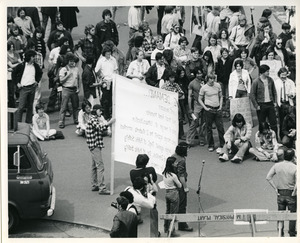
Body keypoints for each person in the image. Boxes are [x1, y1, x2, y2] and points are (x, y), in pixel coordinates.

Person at [266, 149, 297, 237]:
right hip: (291, 193)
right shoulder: (295, 167)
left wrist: (275, 188)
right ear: (293, 157)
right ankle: (291, 233)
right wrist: (294, 192)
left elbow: (268, 177)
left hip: (280, 192)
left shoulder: (277, 165)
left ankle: (280, 232)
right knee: (292, 215)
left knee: (280, 214)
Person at [86, 104, 115, 194]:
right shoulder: (93, 119)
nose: (101, 112)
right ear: (96, 110)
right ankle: (102, 188)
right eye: (100, 110)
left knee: (94, 166)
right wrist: (110, 122)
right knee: (100, 166)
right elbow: (100, 127)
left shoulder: (93, 118)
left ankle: (94, 184)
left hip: (94, 145)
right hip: (95, 145)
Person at [13, 50, 43, 124]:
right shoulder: (21, 66)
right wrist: (17, 83)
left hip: (32, 87)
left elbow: (40, 73)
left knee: (30, 106)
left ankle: (28, 122)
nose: (34, 58)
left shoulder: (35, 66)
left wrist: (37, 81)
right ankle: (18, 123)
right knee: (21, 107)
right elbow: (13, 74)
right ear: (29, 57)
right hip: (24, 88)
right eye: (33, 57)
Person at [199, 73, 225, 153]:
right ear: (208, 79)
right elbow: (199, 99)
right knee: (208, 128)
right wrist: (205, 108)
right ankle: (211, 145)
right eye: (211, 79)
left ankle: (222, 144)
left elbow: (221, 96)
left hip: (217, 109)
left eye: (213, 78)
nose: (212, 80)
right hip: (209, 109)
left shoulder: (217, 85)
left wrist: (220, 106)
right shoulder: (204, 88)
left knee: (220, 127)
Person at [250, 64, 278, 137]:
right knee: (262, 124)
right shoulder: (256, 81)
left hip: (270, 103)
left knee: (273, 123)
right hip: (261, 105)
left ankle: (275, 140)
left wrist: (275, 102)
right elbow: (252, 94)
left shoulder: (270, 80)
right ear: (262, 72)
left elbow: (274, 91)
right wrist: (256, 105)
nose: (268, 73)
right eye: (267, 71)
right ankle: (262, 140)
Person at [172, 142, 193, 232]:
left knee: (171, 206)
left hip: (171, 184)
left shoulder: (173, 156)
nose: (188, 150)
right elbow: (181, 176)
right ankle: (182, 225)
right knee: (182, 205)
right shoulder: (182, 160)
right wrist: (185, 187)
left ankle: (169, 226)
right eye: (187, 148)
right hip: (179, 185)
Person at [95, 47, 118, 120]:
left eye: (109, 52)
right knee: (105, 100)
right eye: (107, 52)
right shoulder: (101, 61)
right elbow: (96, 71)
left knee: (112, 98)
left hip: (112, 81)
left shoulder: (113, 60)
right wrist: (102, 78)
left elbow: (116, 69)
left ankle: (111, 114)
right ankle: (105, 115)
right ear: (104, 53)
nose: (109, 54)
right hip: (105, 82)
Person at [57, 52, 80, 128]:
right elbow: (61, 80)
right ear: (67, 61)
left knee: (75, 106)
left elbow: (78, 79)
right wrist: (67, 75)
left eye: (73, 61)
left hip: (74, 89)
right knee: (64, 106)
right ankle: (61, 121)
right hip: (66, 89)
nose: (72, 63)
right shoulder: (63, 69)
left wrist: (78, 87)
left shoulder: (76, 69)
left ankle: (76, 119)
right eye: (70, 61)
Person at [186, 67, 206, 147]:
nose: (199, 75)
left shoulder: (205, 81)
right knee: (194, 123)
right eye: (198, 73)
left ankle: (202, 139)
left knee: (204, 123)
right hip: (197, 105)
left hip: (206, 105)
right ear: (195, 74)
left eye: (200, 73)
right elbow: (189, 96)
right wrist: (190, 108)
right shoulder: (192, 83)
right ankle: (189, 141)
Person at [162, 156, 182, 237]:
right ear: (172, 164)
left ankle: (166, 228)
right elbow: (179, 185)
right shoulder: (173, 175)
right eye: (175, 163)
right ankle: (172, 231)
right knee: (173, 213)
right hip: (174, 193)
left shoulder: (164, 173)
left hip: (167, 193)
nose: (176, 164)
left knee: (167, 211)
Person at [215, 48, 234, 118]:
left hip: (228, 80)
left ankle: (227, 111)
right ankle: (222, 111)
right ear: (221, 54)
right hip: (220, 81)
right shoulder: (218, 61)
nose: (225, 54)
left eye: (226, 53)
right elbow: (216, 71)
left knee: (227, 96)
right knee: (221, 96)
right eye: (223, 53)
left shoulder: (231, 60)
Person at [7, 41, 22, 108]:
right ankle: (11, 105)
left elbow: (20, 62)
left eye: (13, 46)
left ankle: (19, 102)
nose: (12, 48)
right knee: (11, 91)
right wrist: (18, 64)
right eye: (11, 47)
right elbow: (11, 65)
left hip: (17, 73)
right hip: (9, 75)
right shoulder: (6, 55)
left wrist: (17, 65)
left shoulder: (16, 54)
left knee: (18, 89)